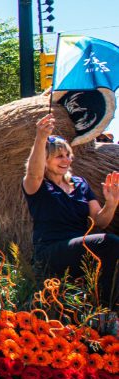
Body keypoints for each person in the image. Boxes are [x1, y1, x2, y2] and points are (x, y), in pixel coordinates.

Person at [22, 113, 119, 307]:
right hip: (50, 250)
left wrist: (112, 203)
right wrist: (40, 138)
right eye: (59, 156)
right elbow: (33, 172)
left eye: (68, 155)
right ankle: (106, 309)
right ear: (46, 160)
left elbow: (99, 222)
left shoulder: (80, 184)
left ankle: (106, 308)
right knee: (109, 242)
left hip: (79, 247)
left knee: (108, 242)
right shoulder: (37, 185)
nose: (65, 160)